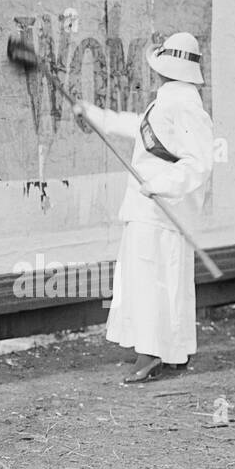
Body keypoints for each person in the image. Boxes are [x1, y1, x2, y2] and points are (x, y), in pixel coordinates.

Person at [73, 32, 214, 384]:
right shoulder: (168, 102)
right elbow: (136, 127)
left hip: (159, 211)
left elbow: (199, 163)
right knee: (164, 281)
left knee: (151, 281)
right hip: (150, 209)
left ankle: (150, 355)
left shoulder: (182, 106)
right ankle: (174, 351)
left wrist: (160, 185)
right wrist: (94, 115)